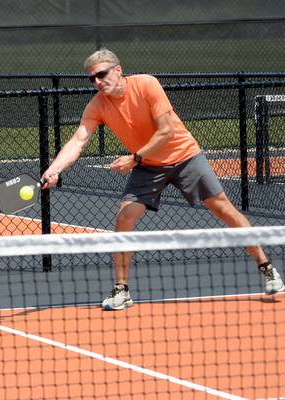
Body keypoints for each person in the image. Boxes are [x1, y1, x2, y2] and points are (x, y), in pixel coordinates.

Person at [41, 49, 285, 310]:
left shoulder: (146, 84)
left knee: (222, 208)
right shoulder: (97, 105)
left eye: (102, 74)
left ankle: (267, 268)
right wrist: (54, 169)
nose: (98, 82)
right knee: (124, 217)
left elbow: (166, 131)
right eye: (92, 79)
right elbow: (79, 140)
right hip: (148, 166)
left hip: (184, 156)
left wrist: (134, 158)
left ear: (118, 70)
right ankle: (121, 290)